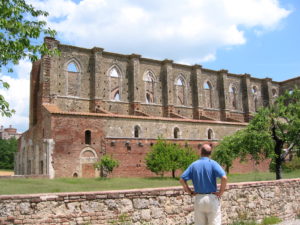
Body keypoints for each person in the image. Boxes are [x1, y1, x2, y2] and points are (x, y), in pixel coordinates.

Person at [179, 144, 227, 225]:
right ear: (210, 153)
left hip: (199, 198)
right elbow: (224, 178)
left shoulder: (194, 165)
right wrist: (221, 192)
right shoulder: (213, 163)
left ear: (201, 152)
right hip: (212, 198)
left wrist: (190, 191)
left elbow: (182, 179)